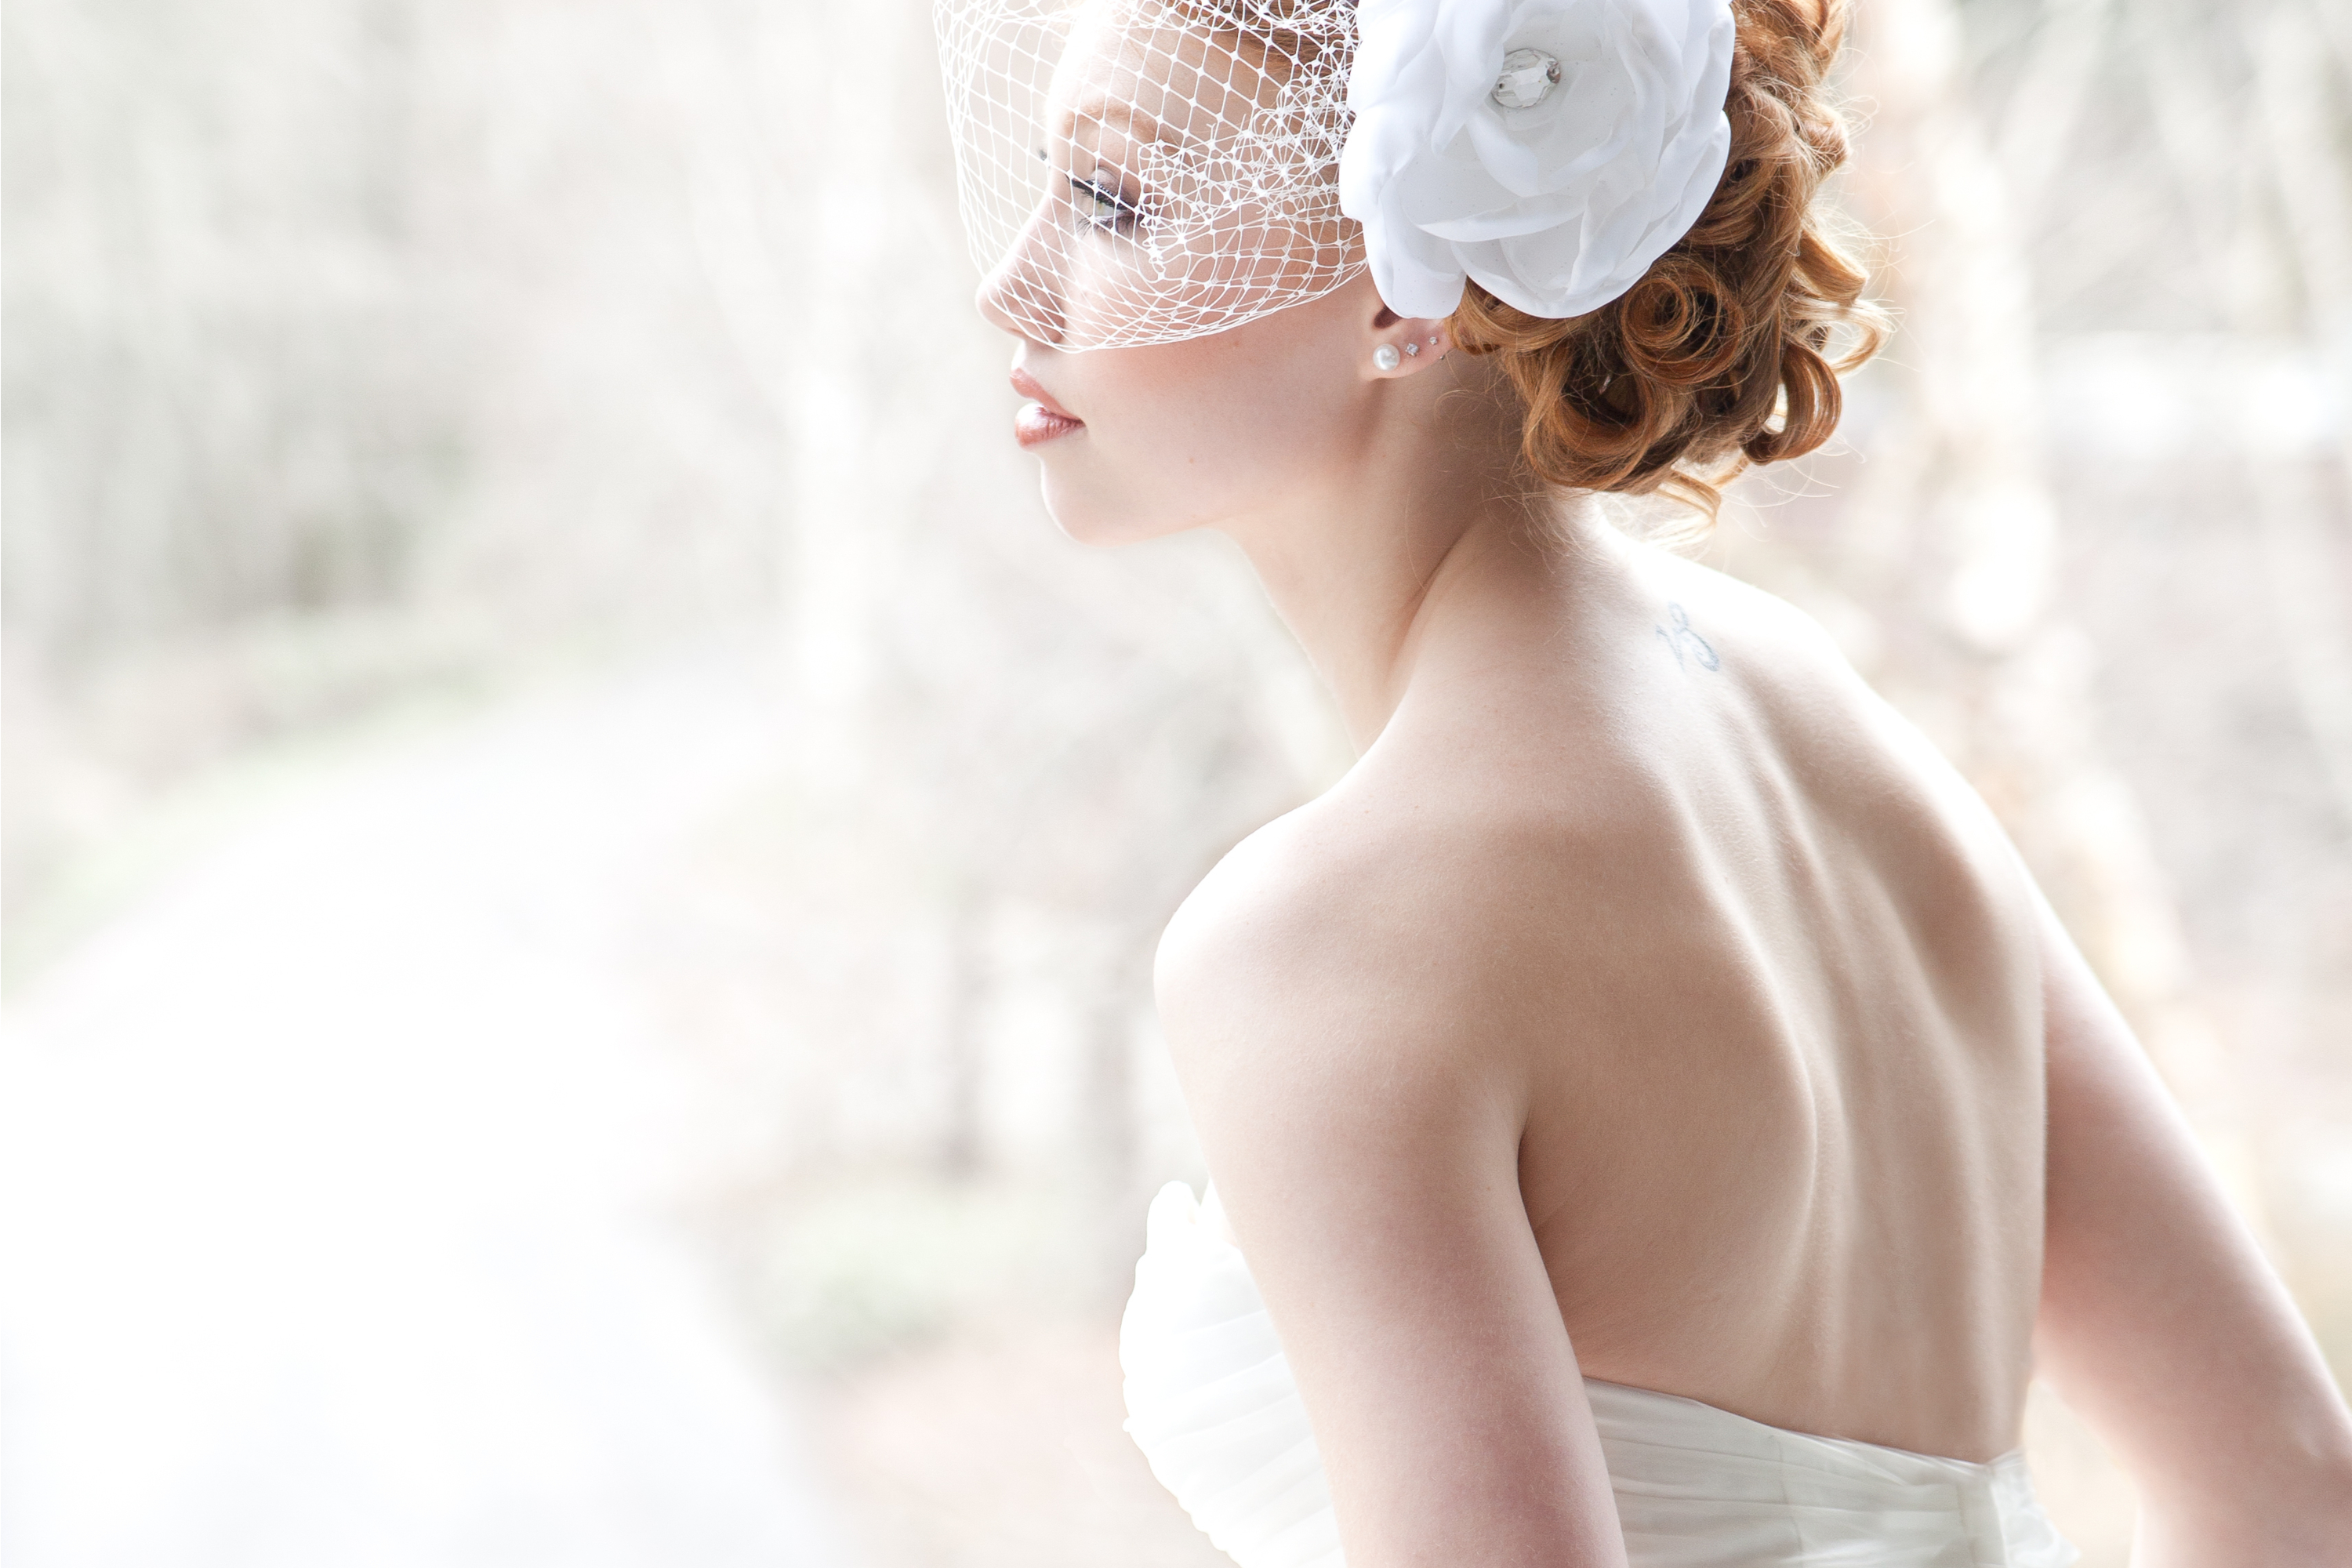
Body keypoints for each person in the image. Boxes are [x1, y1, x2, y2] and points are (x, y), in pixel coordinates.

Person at [935, 0, 2352, 1563]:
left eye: (1114, 199)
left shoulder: (1328, 942)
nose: (1015, 283)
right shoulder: (1836, 724)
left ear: (1412, 294)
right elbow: (2290, 1478)